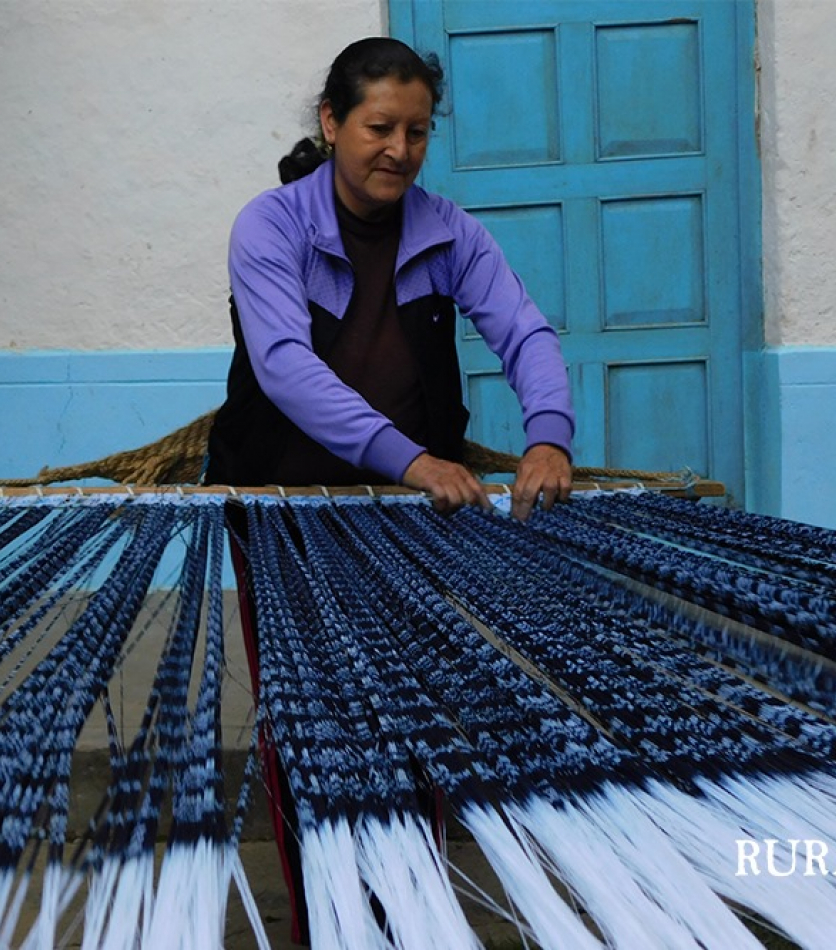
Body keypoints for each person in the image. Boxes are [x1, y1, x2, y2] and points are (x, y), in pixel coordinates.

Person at [203, 36, 576, 944]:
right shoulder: (271, 227)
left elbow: (523, 332)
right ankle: (329, 924)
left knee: (415, 716)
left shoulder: (449, 232)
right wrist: (412, 460)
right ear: (331, 123)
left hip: (413, 521)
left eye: (416, 132)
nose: (398, 150)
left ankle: (413, 916)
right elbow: (285, 369)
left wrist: (547, 435)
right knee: (314, 727)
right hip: (287, 514)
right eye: (378, 128)